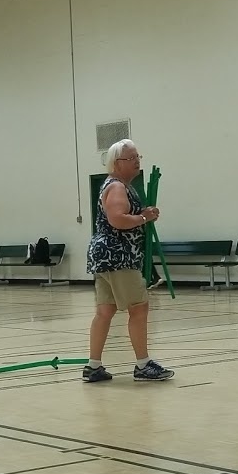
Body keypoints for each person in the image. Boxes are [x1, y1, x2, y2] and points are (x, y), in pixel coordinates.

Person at [84, 139, 174, 382]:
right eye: (131, 158)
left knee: (105, 310)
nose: (136, 162)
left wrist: (144, 215)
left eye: (138, 157)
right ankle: (143, 365)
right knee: (139, 307)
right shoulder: (117, 187)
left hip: (106, 256)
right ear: (117, 163)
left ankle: (93, 366)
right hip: (118, 255)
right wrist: (144, 218)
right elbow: (118, 220)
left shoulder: (118, 185)